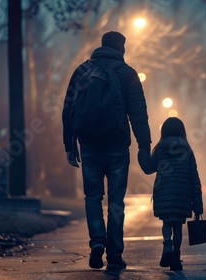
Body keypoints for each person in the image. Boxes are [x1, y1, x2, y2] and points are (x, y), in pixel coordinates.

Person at [62, 31, 152, 270]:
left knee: (92, 197)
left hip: (89, 145)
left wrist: (70, 145)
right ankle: (114, 254)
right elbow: (138, 114)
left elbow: (68, 108)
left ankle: (96, 243)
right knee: (116, 202)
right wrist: (145, 147)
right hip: (117, 147)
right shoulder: (128, 74)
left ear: (101, 46)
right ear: (121, 48)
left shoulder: (82, 71)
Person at [138, 117, 204, 271]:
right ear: (182, 132)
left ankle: (167, 243)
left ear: (164, 132)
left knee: (166, 223)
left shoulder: (160, 150)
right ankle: (175, 258)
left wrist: (143, 150)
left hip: (164, 194)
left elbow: (148, 167)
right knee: (178, 228)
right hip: (182, 197)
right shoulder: (187, 151)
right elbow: (194, 178)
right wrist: (198, 206)